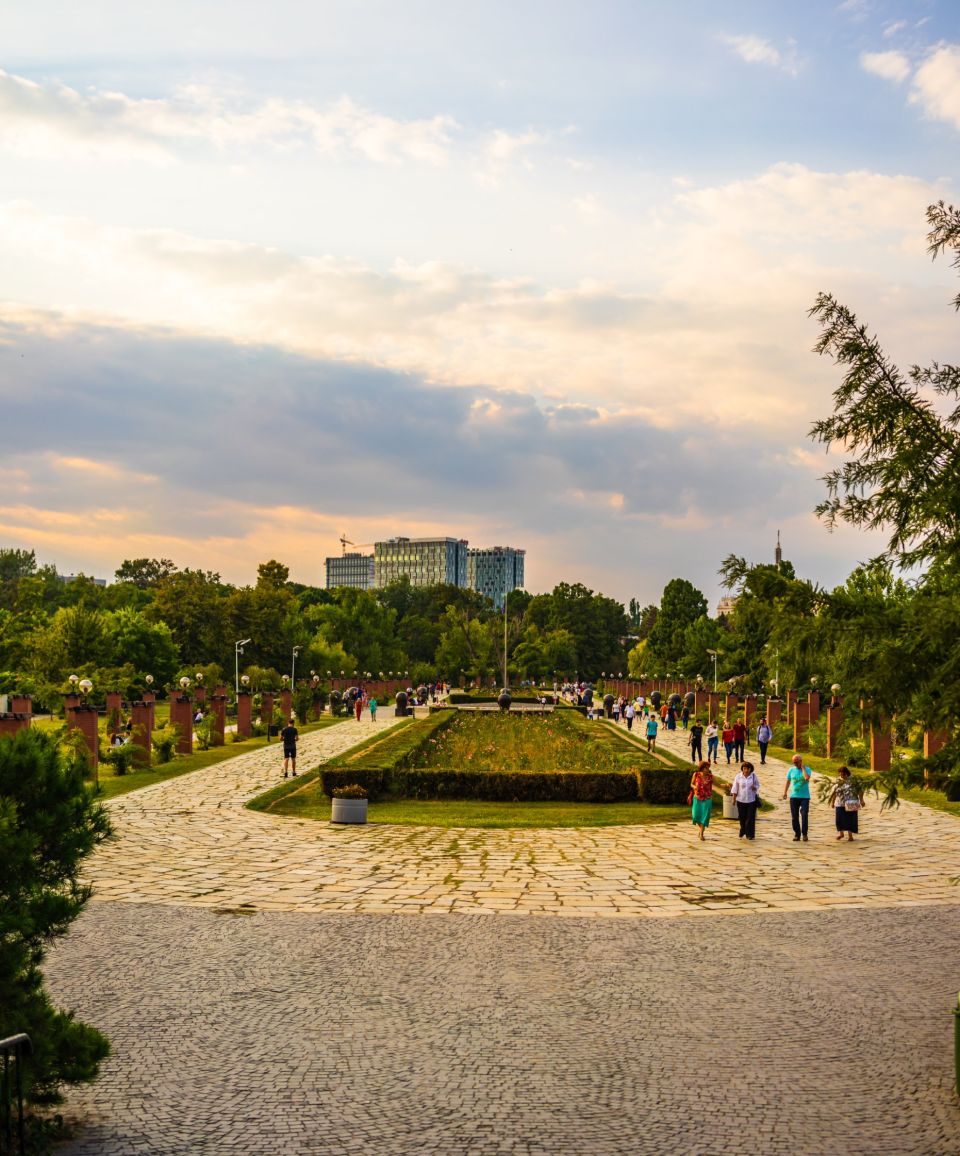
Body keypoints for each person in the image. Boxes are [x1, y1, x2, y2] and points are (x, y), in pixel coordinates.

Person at [782, 753, 813, 841]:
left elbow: (807, 778)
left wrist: (803, 768)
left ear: (801, 761)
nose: (795, 764)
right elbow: (788, 781)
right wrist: (785, 792)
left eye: (796, 762)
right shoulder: (791, 770)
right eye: (794, 762)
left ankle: (804, 834)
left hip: (805, 797)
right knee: (794, 816)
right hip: (794, 796)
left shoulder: (807, 769)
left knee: (804, 815)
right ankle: (797, 834)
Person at [829, 766, 864, 841]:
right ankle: (841, 834)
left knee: (850, 819)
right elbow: (834, 793)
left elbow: (860, 790)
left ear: (847, 773)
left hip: (851, 803)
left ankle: (850, 836)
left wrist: (861, 800)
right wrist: (832, 802)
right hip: (840, 803)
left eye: (843, 774)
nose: (841, 775)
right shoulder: (838, 781)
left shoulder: (853, 781)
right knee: (839, 819)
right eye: (840, 773)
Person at [731, 760, 761, 840]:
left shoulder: (753, 776)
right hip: (741, 800)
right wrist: (734, 799)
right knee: (742, 817)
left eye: (748, 768)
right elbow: (735, 788)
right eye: (744, 768)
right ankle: (743, 829)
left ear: (751, 769)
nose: (746, 770)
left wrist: (754, 787)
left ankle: (749, 834)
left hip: (751, 800)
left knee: (750, 818)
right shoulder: (738, 776)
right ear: (742, 769)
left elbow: (757, 786)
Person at [690, 760, 713, 841]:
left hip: (707, 798)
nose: (707, 770)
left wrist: (726, 786)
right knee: (695, 815)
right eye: (706, 768)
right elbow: (691, 784)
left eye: (708, 768)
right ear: (702, 768)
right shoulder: (696, 775)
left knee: (704, 816)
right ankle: (700, 830)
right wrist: (694, 787)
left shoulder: (710, 777)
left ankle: (701, 833)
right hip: (697, 797)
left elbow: (719, 784)